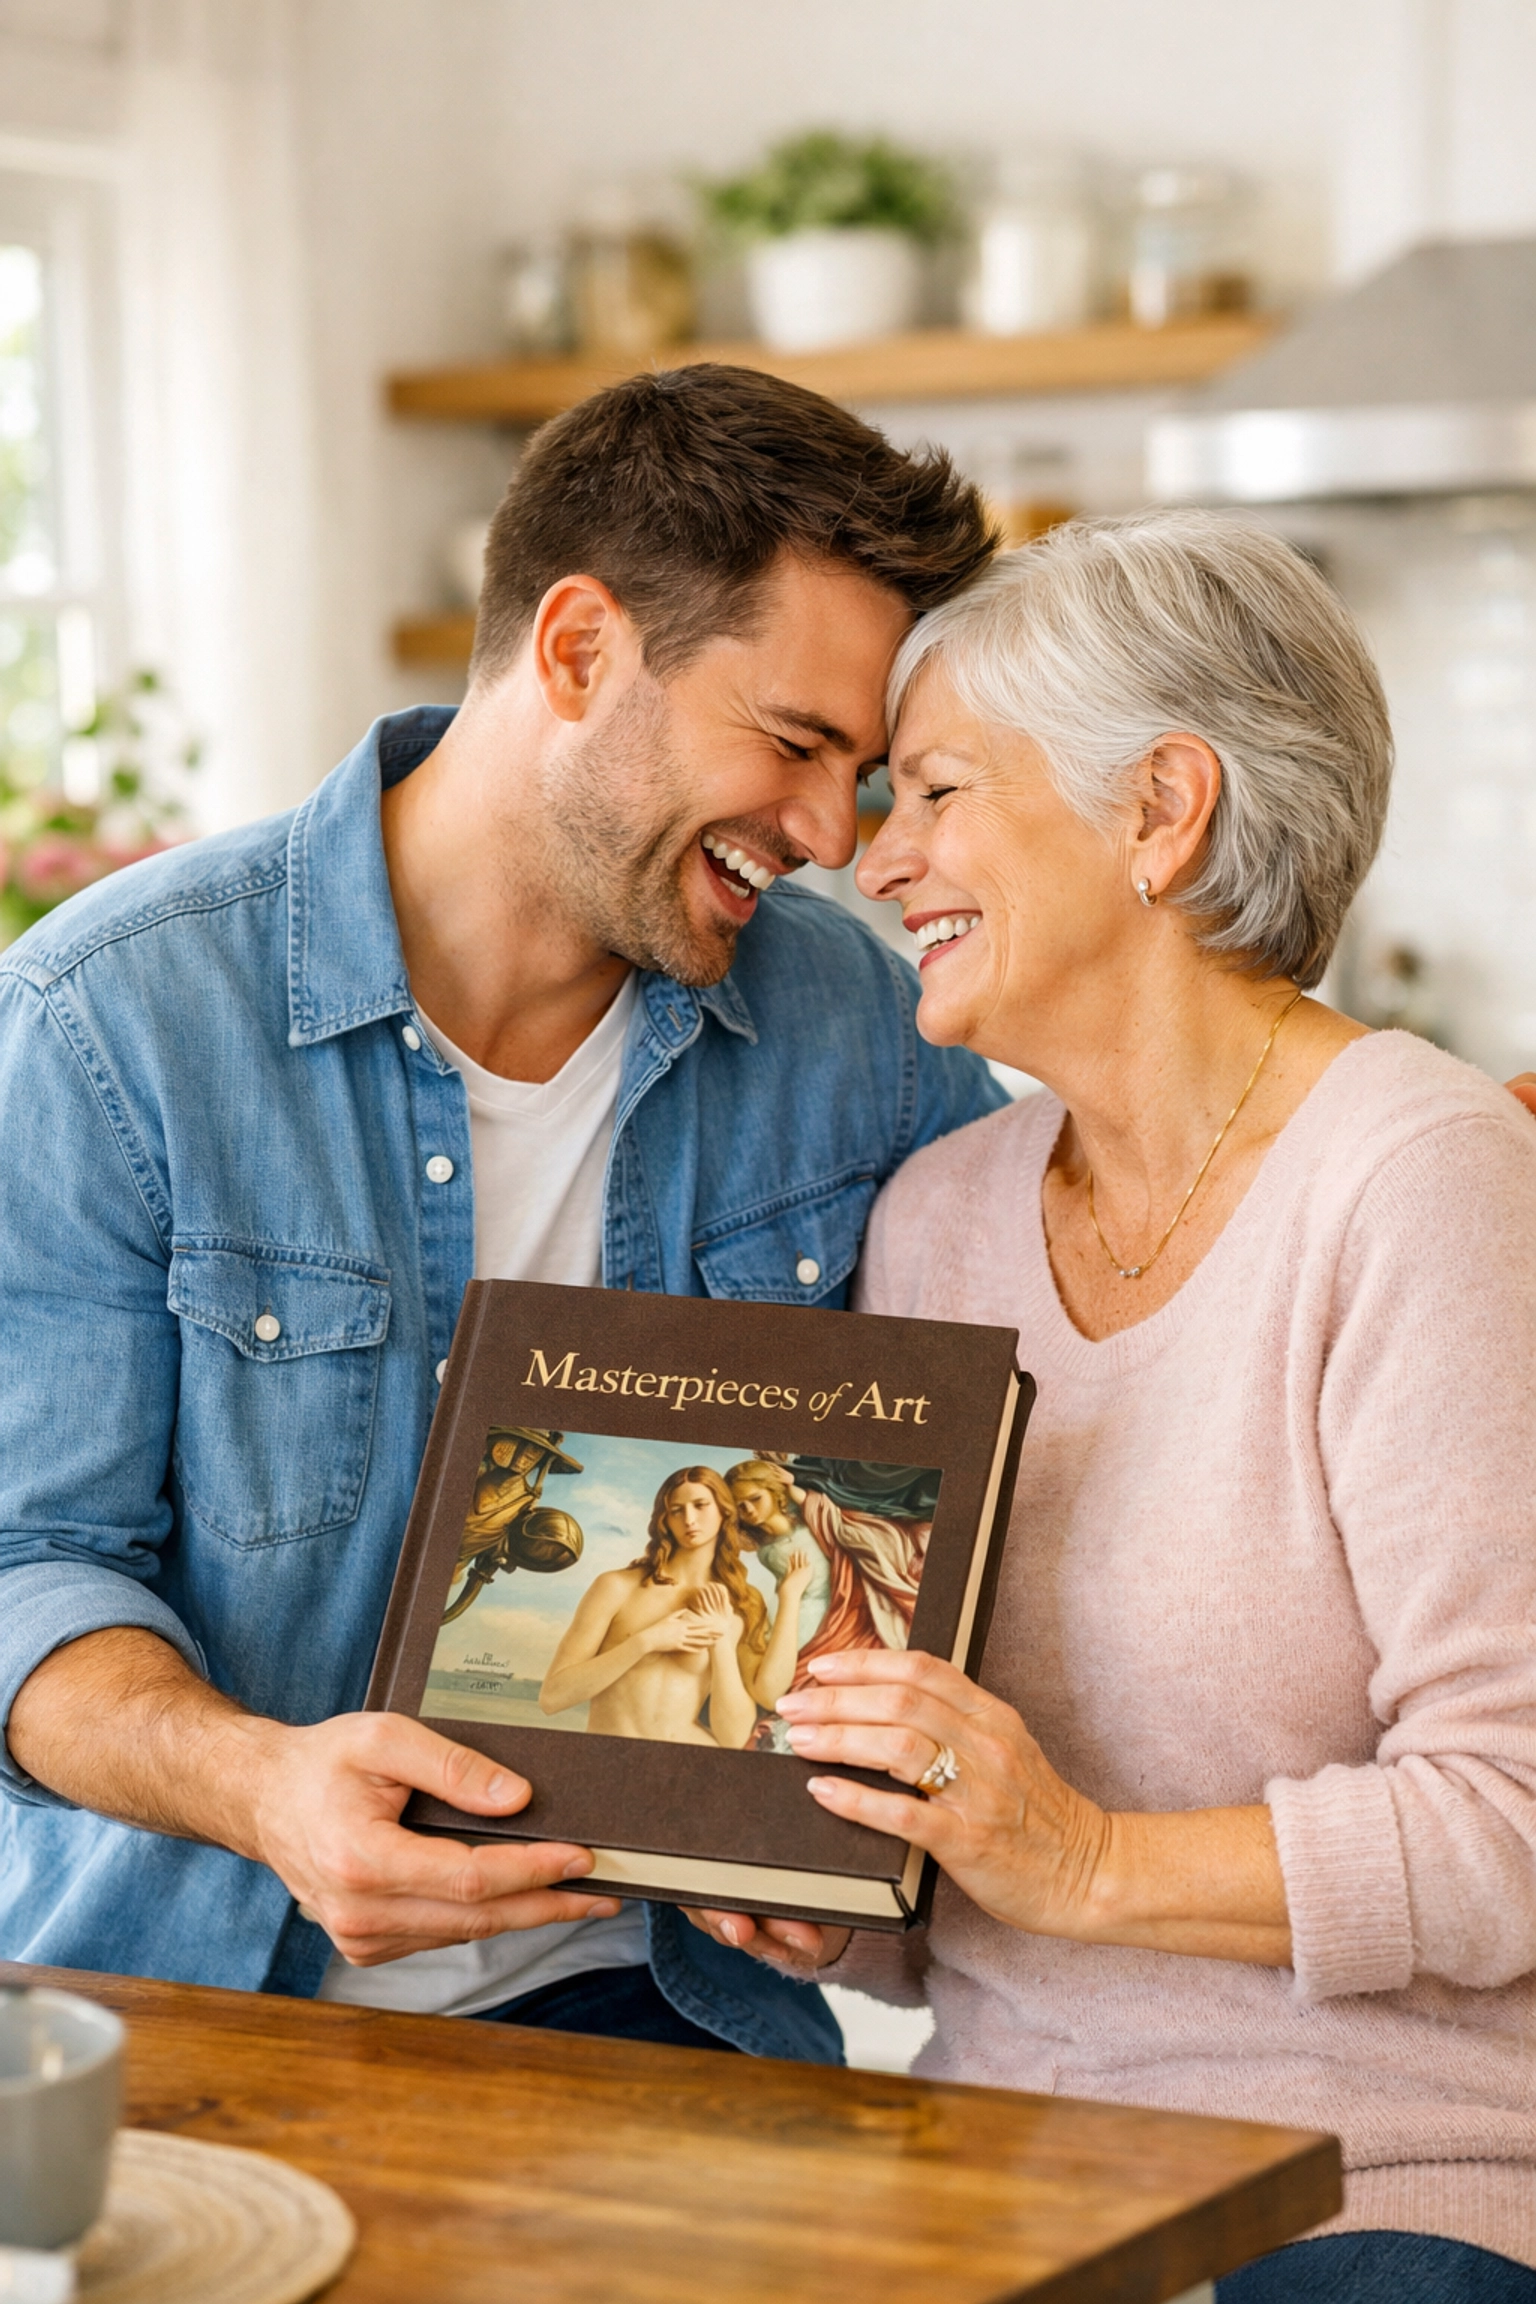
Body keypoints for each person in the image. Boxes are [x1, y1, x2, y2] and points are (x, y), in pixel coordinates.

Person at [0, 363, 1004, 2060]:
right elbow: (29, 1564)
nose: (835, 835)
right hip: (188, 2004)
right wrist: (260, 1784)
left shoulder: (857, 1027)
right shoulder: (111, 1026)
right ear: (577, 648)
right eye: (795, 743)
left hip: (676, 2009)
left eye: (871, 775)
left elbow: (1104, 1277)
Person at [694, 512, 1536, 2293]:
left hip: (1374, 2163)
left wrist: (1079, 1858)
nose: (874, 854)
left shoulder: (1419, 1173)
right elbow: (970, 1880)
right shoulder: (938, 1215)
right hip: (999, 2158)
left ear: (1162, 808)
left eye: (932, 790)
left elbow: (1514, 1818)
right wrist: (828, 1897)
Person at [539, 1467, 764, 1747]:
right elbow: (552, 1698)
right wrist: (646, 1641)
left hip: (689, 1764)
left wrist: (720, 1637)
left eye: (700, 1505)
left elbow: (735, 1739)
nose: (690, 1519)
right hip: (611, 1757)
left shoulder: (735, 1607)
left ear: (724, 1511)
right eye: (676, 1510)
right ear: (664, 1520)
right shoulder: (617, 1587)